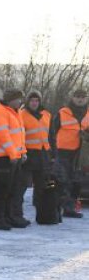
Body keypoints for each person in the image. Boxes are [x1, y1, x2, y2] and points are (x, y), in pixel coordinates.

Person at [0, 89, 26, 230]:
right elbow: (3, 136)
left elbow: (19, 135)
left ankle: (8, 217)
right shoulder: (0, 112)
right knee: (2, 190)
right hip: (3, 158)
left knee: (11, 189)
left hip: (13, 157)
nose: (20, 101)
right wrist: (13, 154)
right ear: (11, 99)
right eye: (18, 99)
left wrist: (22, 152)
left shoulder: (14, 112)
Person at [13, 91, 52, 225]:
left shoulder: (46, 115)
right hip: (28, 155)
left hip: (43, 155)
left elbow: (50, 136)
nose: (34, 103)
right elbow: (18, 136)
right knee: (21, 186)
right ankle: (17, 215)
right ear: (27, 101)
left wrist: (52, 154)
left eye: (37, 100)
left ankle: (43, 215)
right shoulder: (21, 115)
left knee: (41, 187)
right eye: (32, 100)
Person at [52, 88, 88, 217]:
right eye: (77, 96)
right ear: (72, 98)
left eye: (83, 97)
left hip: (80, 155)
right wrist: (52, 152)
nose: (80, 99)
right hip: (63, 153)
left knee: (76, 182)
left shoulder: (88, 113)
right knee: (62, 181)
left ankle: (70, 207)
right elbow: (52, 132)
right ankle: (58, 207)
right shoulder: (63, 112)